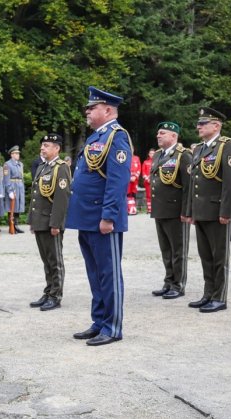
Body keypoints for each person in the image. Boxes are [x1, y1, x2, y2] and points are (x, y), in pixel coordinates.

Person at [67, 87, 132, 346]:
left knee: (108, 273)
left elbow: (117, 181)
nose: (87, 111)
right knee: (95, 273)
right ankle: (99, 321)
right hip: (87, 217)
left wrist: (109, 216)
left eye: (92, 107)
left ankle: (112, 327)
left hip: (103, 219)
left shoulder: (116, 137)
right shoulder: (97, 137)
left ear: (107, 110)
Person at [185, 108, 231, 313]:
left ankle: (219, 297)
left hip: (217, 210)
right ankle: (208, 293)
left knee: (219, 257)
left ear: (216, 126)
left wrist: (226, 211)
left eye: (203, 123)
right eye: (198, 123)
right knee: (206, 256)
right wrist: (191, 211)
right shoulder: (199, 148)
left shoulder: (226, 145)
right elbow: (194, 182)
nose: (198, 127)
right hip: (202, 210)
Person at [149, 122, 192, 299]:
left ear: (174, 136)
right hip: (160, 208)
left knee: (178, 250)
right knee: (166, 249)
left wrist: (186, 211)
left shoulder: (183, 155)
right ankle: (168, 281)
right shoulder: (158, 155)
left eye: (162, 133)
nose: (158, 136)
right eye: (158, 133)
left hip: (176, 210)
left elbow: (189, 186)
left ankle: (178, 284)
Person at [29, 133, 72, 311]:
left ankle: (56, 295)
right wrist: (32, 221)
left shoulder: (60, 168)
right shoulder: (42, 166)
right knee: (46, 260)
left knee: (55, 261)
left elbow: (62, 199)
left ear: (57, 148)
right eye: (42, 145)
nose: (42, 148)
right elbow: (36, 196)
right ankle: (48, 292)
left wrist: (56, 224)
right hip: (40, 221)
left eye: (46, 145)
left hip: (50, 222)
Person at [4, 145, 26, 233]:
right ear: (12, 154)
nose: (18, 155)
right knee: (12, 207)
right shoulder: (7, 164)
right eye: (16, 153)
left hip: (20, 186)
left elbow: (22, 177)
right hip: (13, 186)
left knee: (18, 207)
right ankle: (11, 225)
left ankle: (16, 225)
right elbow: (6, 179)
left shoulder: (20, 164)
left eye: (18, 153)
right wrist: (9, 191)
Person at [141, 149, 154, 213]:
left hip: (154, 181)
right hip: (147, 182)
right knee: (148, 195)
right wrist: (147, 179)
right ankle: (149, 209)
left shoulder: (157, 161)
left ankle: (154, 209)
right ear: (149, 154)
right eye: (151, 153)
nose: (152, 154)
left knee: (154, 195)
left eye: (153, 153)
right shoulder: (145, 162)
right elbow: (143, 172)